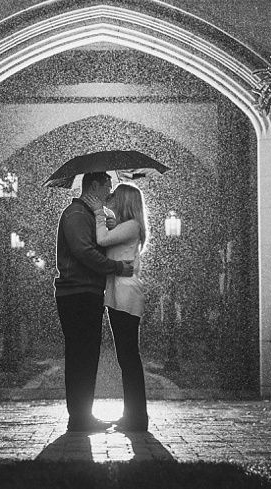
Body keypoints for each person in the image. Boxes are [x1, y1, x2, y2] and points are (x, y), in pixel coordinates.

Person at [54, 171, 135, 433]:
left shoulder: (87, 214)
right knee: (81, 354)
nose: (110, 193)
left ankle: (81, 415)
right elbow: (84, 252)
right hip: (77, 293)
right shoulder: (76, 214)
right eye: (107, 186)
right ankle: (78, 417)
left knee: (86, 355)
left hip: (86, 292)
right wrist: (116, 267)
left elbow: (94, 245)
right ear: (95, 185)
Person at [96, 182, 150, 432]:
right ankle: (133, 414)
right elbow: (110, 240)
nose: (111, 198)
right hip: (120, 291)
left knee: (129, 356)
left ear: (126, 201)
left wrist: (98, 212)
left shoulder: (131, 226)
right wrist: (109, 223)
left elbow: (102, 239)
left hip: (126, 293)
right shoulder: (126, 226)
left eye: (116, 196)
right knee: (126, 356)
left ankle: (137, 417)